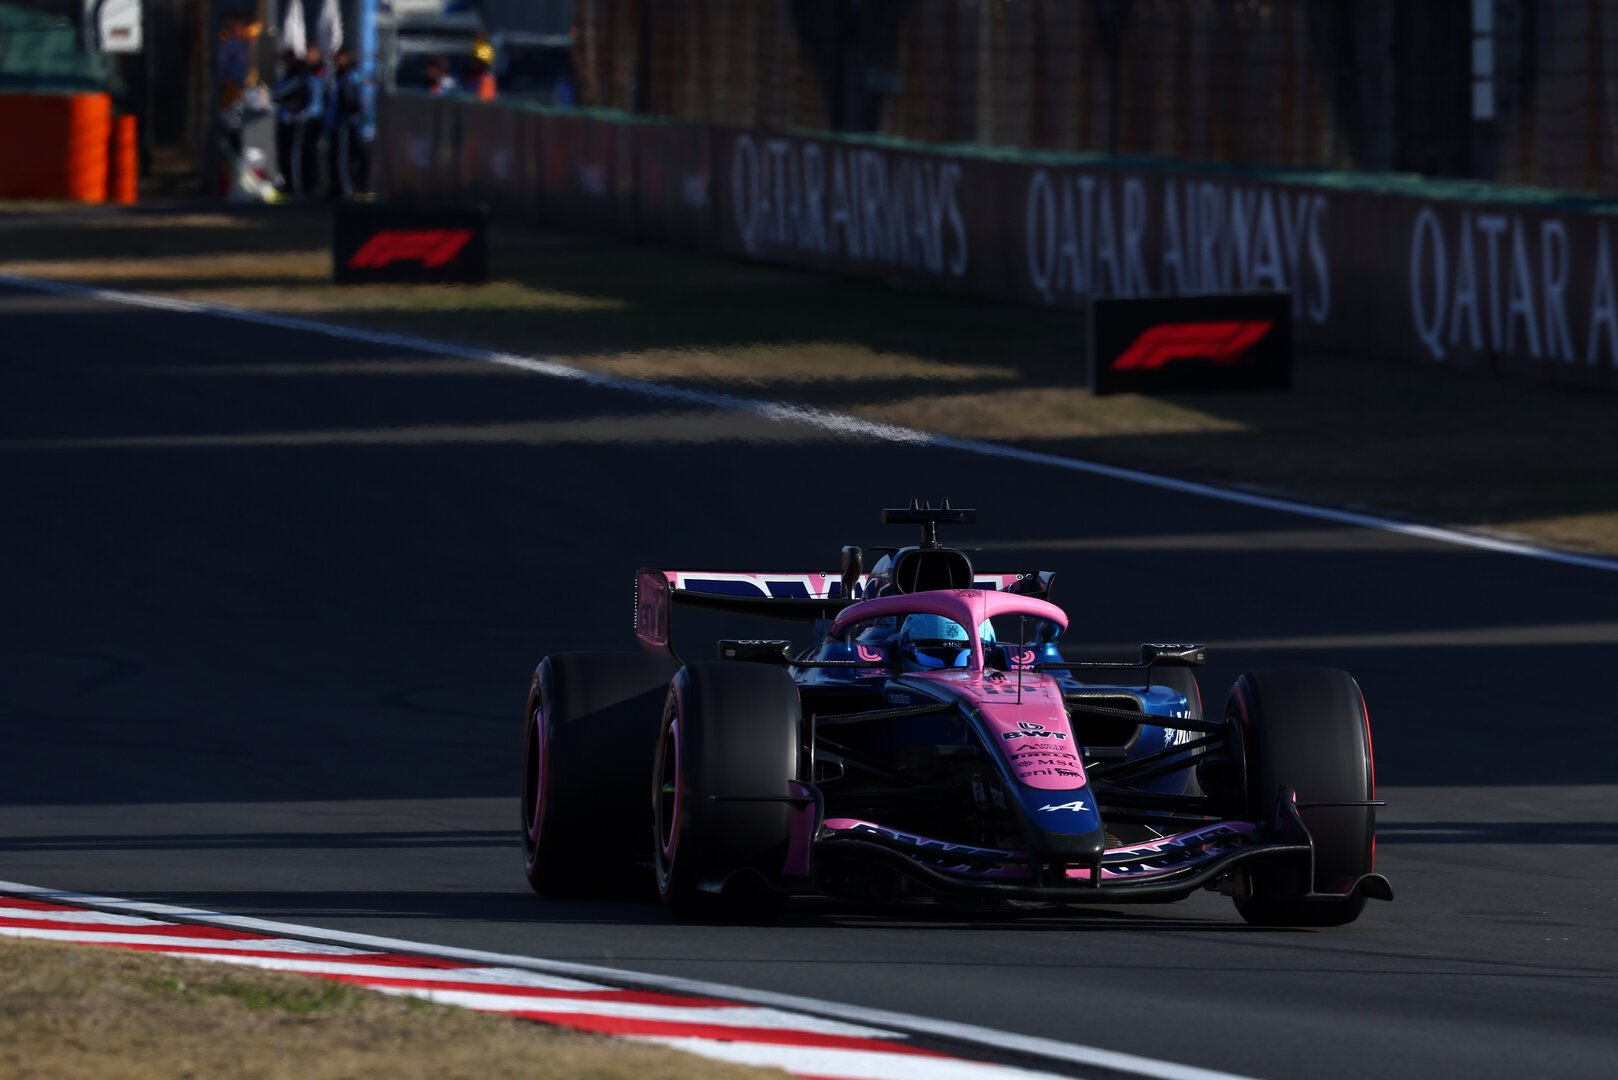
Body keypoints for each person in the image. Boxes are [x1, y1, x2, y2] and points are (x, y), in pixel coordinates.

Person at [324, 46, 369, 198]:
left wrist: (349, 116)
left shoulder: (351, 78)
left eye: (342, 57)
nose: (339, 61)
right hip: (334, 124)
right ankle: (336, 187)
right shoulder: (334, 77)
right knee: (334, 158)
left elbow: (352, 101)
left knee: (345, 158)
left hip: (345, 124)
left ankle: (346, 189)